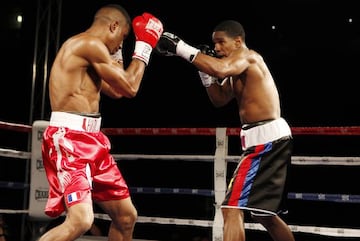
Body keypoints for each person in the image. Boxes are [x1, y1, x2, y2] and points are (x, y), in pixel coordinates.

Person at [155, 20, 295, 241]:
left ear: (238, 41)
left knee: (231, 208)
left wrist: (180, 47)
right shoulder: (236, 69)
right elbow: (219, 99)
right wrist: (204, 73)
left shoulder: (248, 57)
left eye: (221, 42)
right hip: (265, 140)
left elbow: (220, 68)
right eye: (215, 43)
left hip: (266, 140)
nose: (217, 48)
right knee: (264, 215)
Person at [38, 4, 163, 241]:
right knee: (81, 220)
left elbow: (116, 92)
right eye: (123, 38)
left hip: (93, 141)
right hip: (70, 140)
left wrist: (117, 51)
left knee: (126, 217)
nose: (121, 45)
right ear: (113, 26)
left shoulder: (91, 52)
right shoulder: (88, 44)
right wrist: (144, 46)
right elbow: (130, 87)